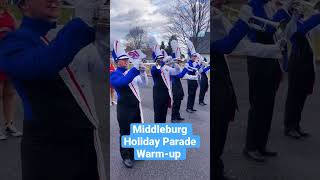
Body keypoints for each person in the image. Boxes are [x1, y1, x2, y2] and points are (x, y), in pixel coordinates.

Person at [0, 0, 106, 179]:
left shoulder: (69, 32)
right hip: (47, 151)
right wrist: (84, 21)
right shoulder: (13, 41)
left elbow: (103, 74)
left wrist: (105, 36)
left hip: (86, 144)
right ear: (24, 4)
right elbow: (43, 64)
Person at [212, 1, 285, 179]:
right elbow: (225, 46)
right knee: (214, 137)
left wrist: (273, 49)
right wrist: (243, 20)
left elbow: (242, 45)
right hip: (213, 85)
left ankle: (216, 172)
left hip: (223, 85)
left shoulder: (216, 16)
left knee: (219, 137)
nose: (222, 3)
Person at [243, 0, 286, 162]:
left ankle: (261, 144)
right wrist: (285, 8)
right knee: (258, 106)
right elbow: (269, 27)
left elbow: (278, 31)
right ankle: (250, 147)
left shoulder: (270, 6)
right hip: (258, 59)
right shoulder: (253, 5)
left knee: (268, 107)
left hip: (271, 60)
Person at [271, 1, 320, 139]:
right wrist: (294, 16)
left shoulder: (303, 22)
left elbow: (316, 29)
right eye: (297, 7)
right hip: (296, 64)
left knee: (301, 97)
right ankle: (289, 126)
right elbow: (291, 33)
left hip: (307, 65)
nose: (301, 9)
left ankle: (296, 125)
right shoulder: (289, 23)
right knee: (293, 97)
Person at [110, 40, 148, 168]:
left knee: (136, 131)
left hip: (136, 107)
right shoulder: (114, 75)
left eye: (127, 60)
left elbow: (144, 83)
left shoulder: (132, 72)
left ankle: (134, 152)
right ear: (117, 61)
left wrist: (142, 72)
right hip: (124, 109)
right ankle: (125, 156)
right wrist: (135, 69)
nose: (126, 62)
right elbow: (123, 82)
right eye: (123, 60)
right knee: (125, 132)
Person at [0, 0, 22, 140]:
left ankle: (9, 125)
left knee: (10, 93)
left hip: (9, 58)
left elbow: (18, 33)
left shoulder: (9, 15)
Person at [185, 39, 201, 113]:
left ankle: (191, 107)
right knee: (191, 94)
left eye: (195, 56)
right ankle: (188, 108)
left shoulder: (194, 63)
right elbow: (194, 70)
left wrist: (199, 63)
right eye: (194, 56)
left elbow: (198, 69)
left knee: (193, 95)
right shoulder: (189, 63)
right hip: (191, 80)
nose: (195, 57)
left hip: (194, 80)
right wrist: (197, 65)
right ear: (191, 56)